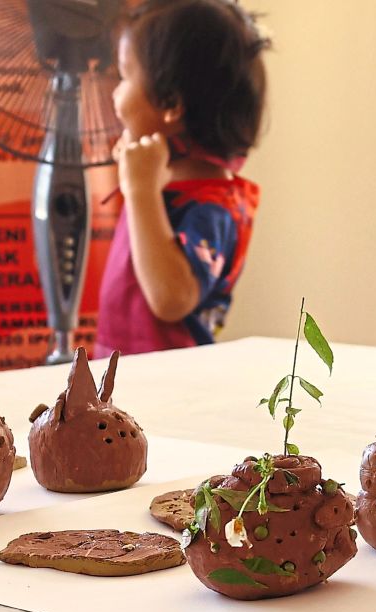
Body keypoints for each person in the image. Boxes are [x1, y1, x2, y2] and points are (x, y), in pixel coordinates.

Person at [96, 0, 268, 357]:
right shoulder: (164, 187)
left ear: (171, 105)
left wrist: (141, 191)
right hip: (120, 375)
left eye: (125, 76)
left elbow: (172, 299)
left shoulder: (214, 206)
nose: (115, 93)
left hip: (167, 389)